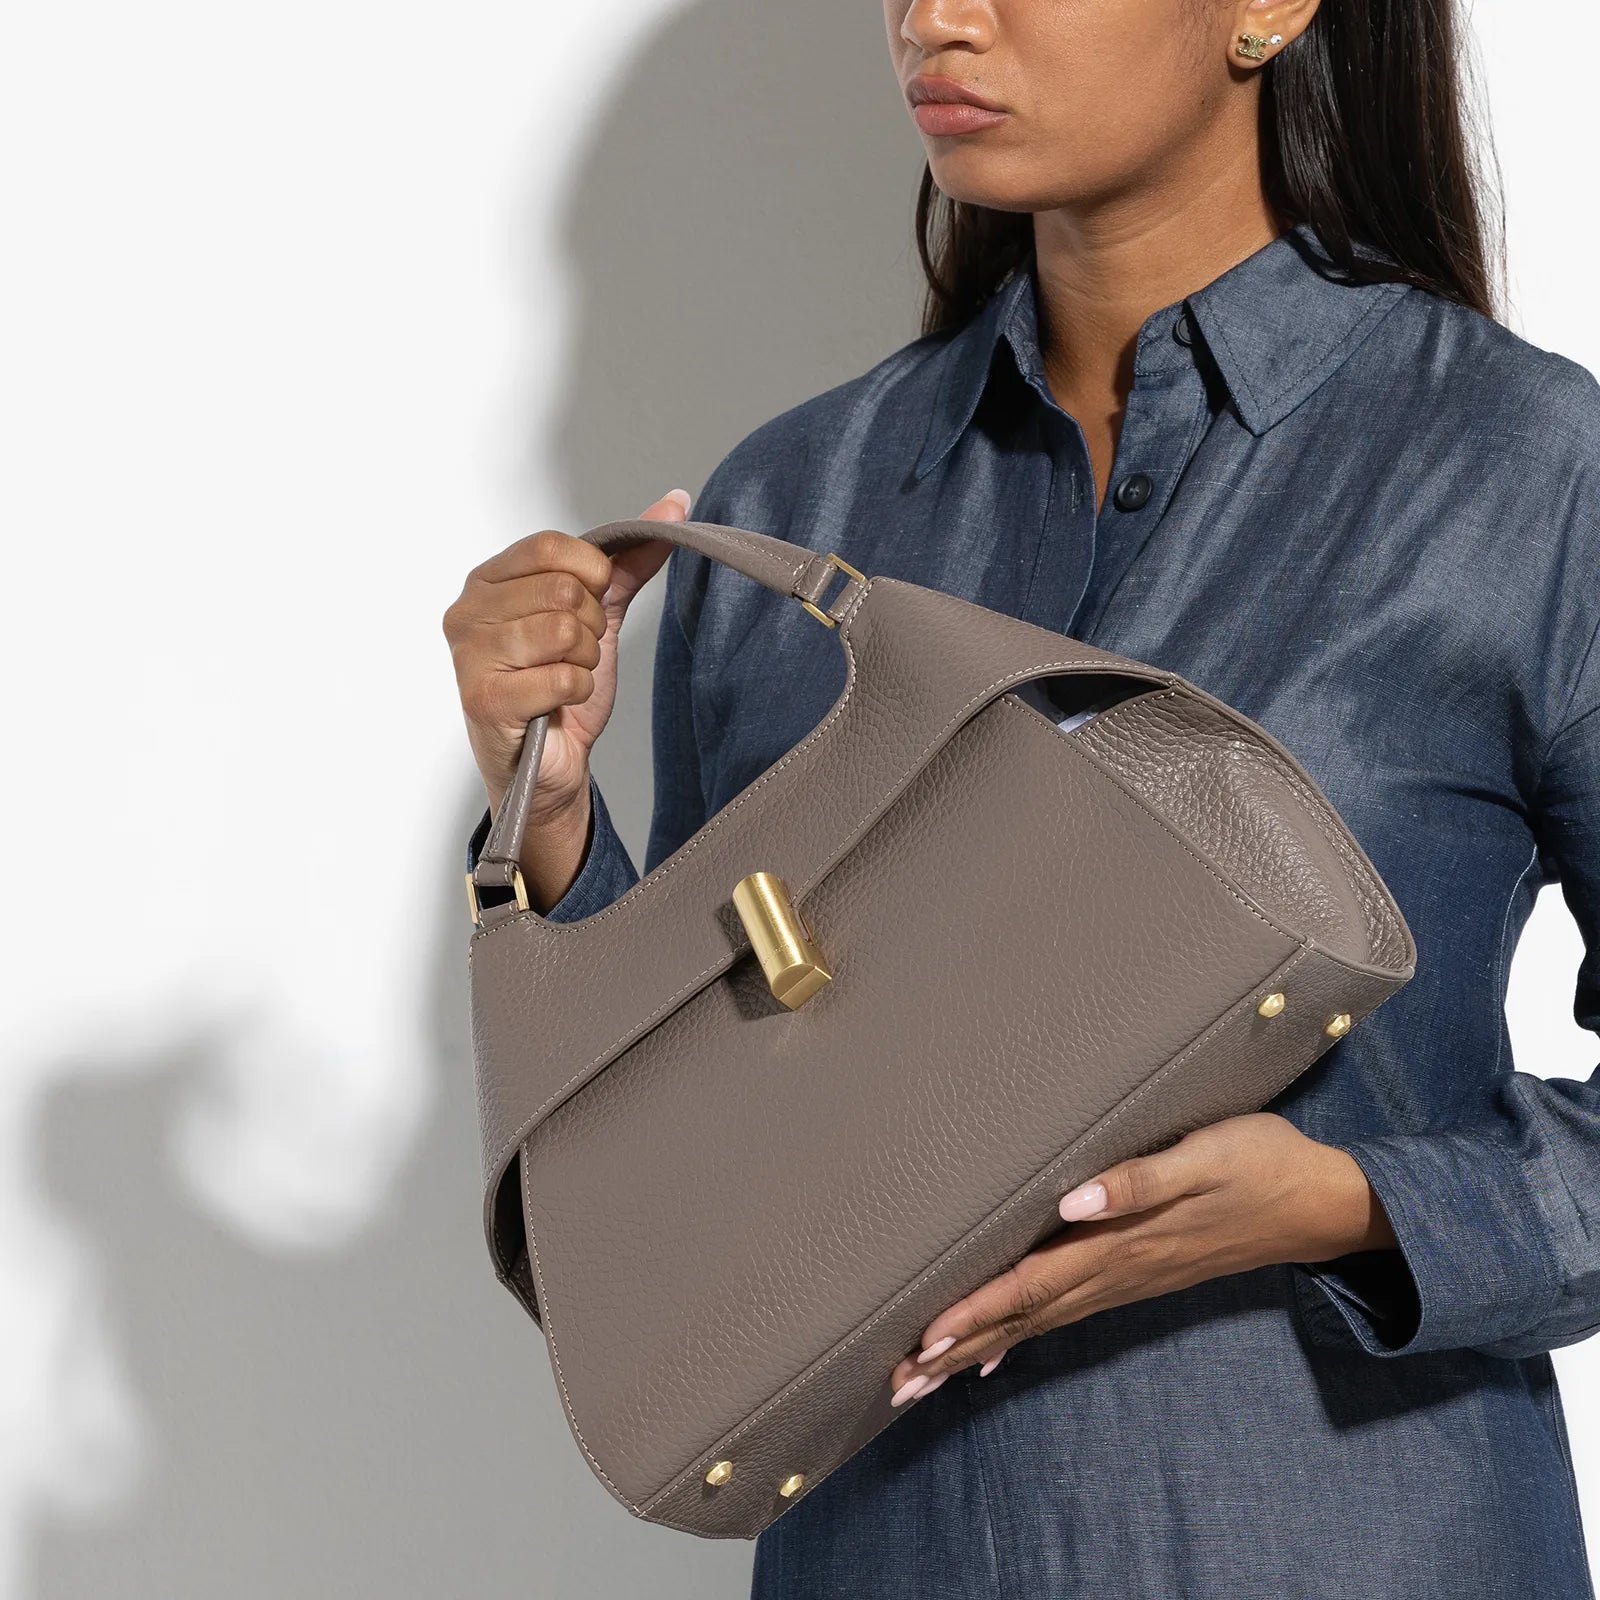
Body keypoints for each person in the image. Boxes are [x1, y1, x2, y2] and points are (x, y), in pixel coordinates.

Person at [442, 0, 1600, 1592]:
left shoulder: (1526, 472)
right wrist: (553, 819)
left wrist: (1352, 1204)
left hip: (1345, 1538)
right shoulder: (797, 504)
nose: (935, 18)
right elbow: (701, 1191)